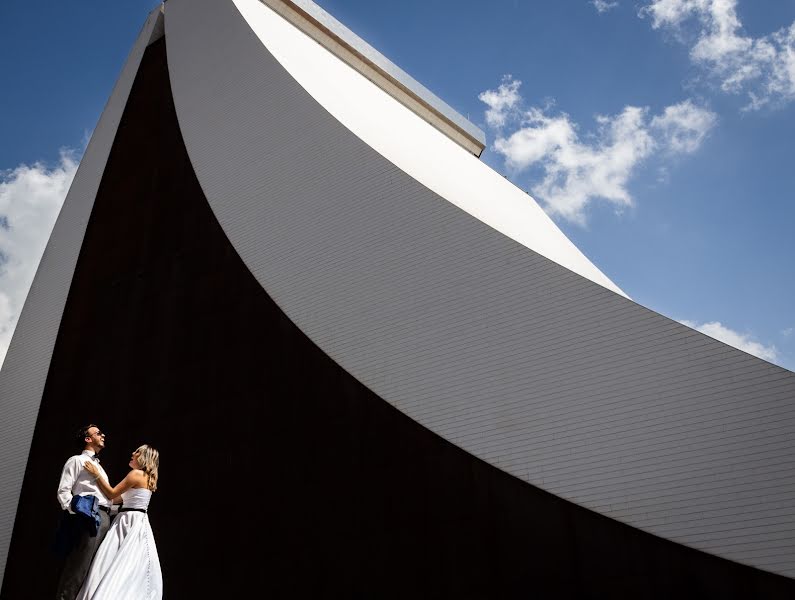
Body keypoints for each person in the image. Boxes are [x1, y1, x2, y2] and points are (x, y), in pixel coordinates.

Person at [76, 445, 163, 600]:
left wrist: (97, 475)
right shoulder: (148, 478)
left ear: (144, 457)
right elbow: (119, 500)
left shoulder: (136, 474)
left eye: (137, 452)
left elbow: (112, 494)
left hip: (127, 522)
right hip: (138, 521)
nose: (133, 453)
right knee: (127, 563)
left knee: (108, 560)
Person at [55, 424, 113, 600]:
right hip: (89, 516)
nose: (103, 435)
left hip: (105, 517)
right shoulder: (76, 461)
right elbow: (63, 492)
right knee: (79, 567)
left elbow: (106, 496)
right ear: (88, 439)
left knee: (94, 569)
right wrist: (80, 511)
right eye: (98, 433)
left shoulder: (99, 467)